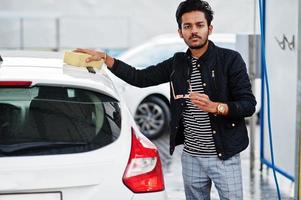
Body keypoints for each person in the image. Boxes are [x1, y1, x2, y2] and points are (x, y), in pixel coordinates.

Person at [75, 0, 256, 199]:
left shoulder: (230, 60)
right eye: (187, 26)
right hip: (191, 157)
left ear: (209, 29)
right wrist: (107, 59)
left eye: (199, 25)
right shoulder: (177, 63)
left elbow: (248, 105)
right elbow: (140, 78)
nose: (193, 31)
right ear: (180, 32)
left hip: (225, 156)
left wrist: (216, 107)